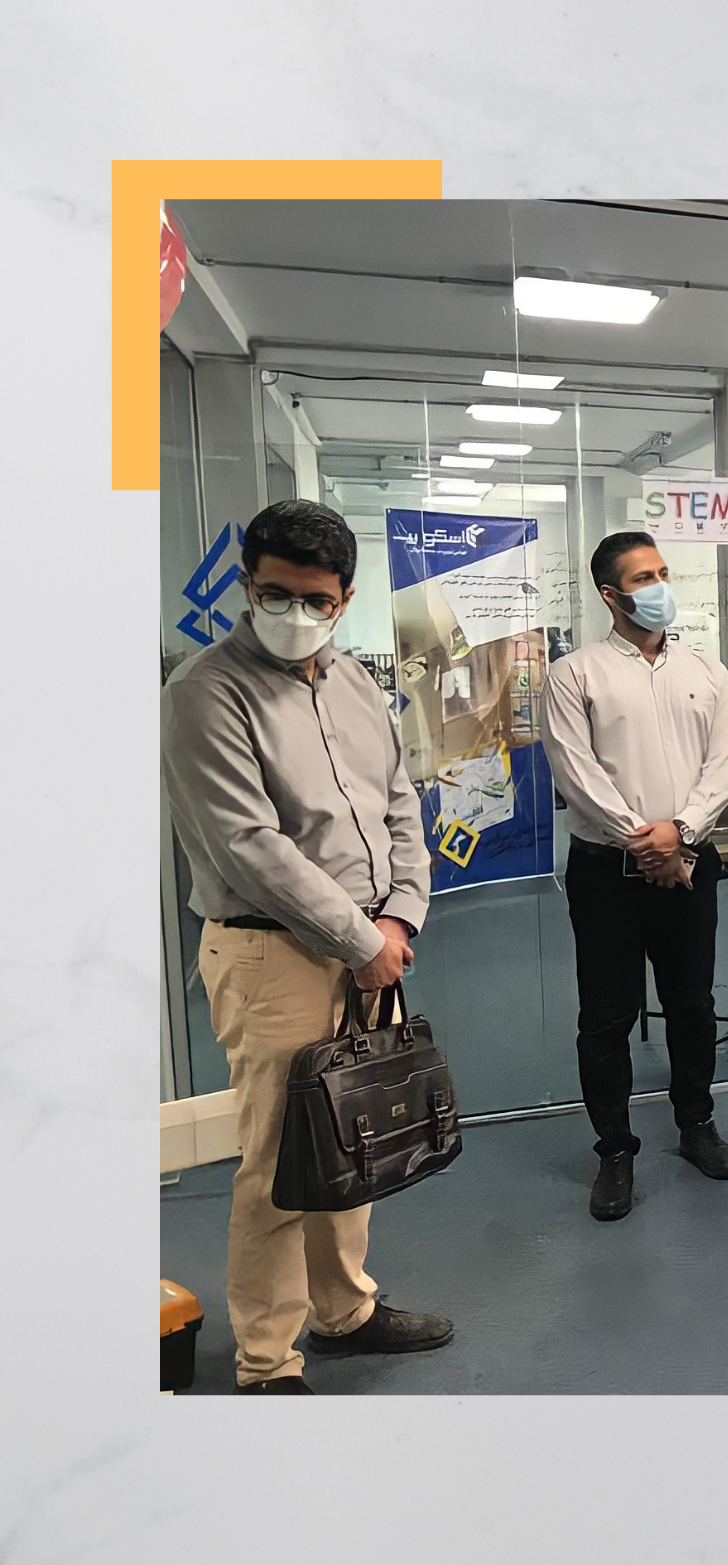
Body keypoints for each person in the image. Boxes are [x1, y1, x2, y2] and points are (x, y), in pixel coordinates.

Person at [162, 499, 452, 1394]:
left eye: (316, 600)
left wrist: (398, 918)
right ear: (246, 585)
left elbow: (400, 803)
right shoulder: (205, 693)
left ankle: (344, 1312)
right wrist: (363, 939)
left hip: (370, 947)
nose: (295, 614)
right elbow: (249, 849)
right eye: (275, 594)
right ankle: (267, 1362)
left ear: (345, 599)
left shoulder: (357, 683)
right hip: (273, 953)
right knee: (280, 1164)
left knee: (350, 1135)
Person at [543, 532, 728, 1221]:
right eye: (643, 577)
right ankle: (615, 1150)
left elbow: (724, 768)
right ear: (611, 595)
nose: (660, 586)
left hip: (691, 864)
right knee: (607, 1016)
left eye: (663, 572)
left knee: (692, 1003)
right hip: (607, 872)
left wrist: (680, 835)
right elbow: (576, 772)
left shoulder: (707, 672)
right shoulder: (575, 675)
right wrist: (646, 840)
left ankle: (696, 1123)